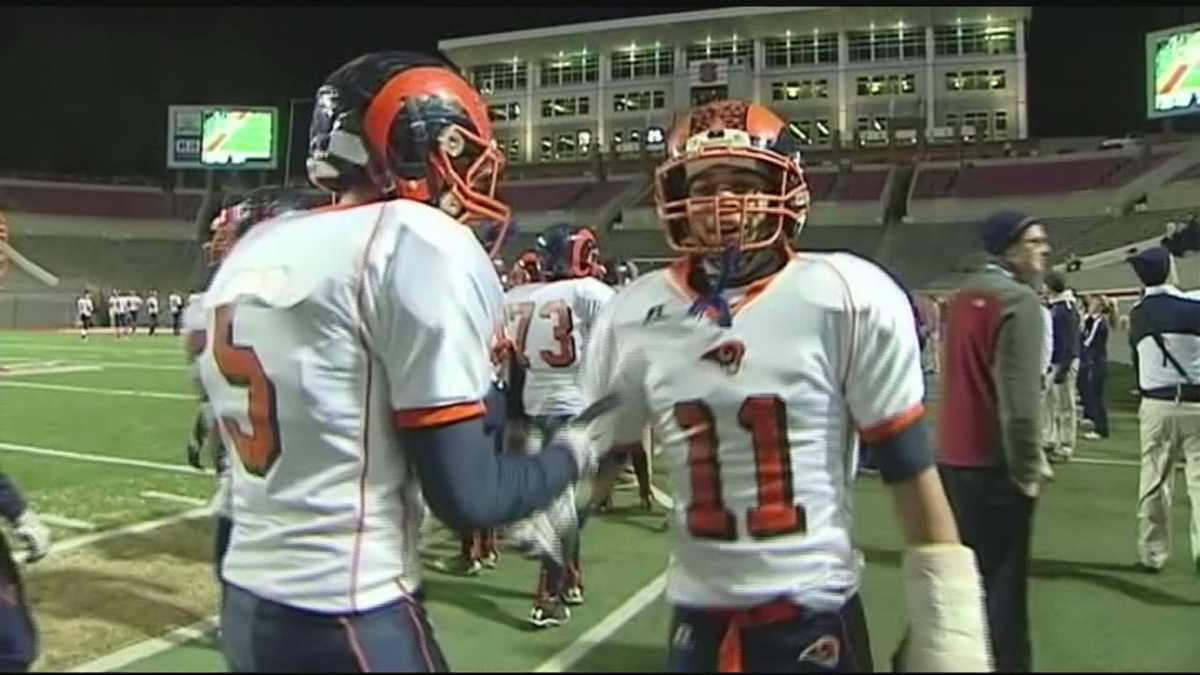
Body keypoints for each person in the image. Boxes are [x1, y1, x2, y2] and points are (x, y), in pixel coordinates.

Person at [200, 51, 595, 673]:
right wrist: (572, 453)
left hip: (246, 605)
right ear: (409, 145)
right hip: (348, 611)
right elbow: (471, 498)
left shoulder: (257, 247)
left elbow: (346, 399)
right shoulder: (414, 238)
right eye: (455, 153)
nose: (466, 175)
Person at [582, 99, 990, 672]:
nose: (722, 202)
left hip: (812, 616)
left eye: (743, 181)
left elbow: (910, 473)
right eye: (703, 185)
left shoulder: (846, 295)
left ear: (786, 190)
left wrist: (952, 635)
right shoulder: (634, 311)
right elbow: (602, 448)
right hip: (697, 622)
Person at [939, 209, 1053, 672]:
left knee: (960, 584)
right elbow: (1021, 404)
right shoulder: (1020, 304)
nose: (1044, 250)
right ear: (1007, 248)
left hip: (952, 456)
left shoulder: (963, 295)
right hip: (996, 464)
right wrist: (1028, 470)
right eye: (1033, 242)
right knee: (1004, 592)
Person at [499, 223, 615, 627]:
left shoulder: (527, 296)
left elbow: (514, 359)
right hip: (575, 409)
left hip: (536, 407)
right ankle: (550, 593)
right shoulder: (589, 293)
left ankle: (571, 578)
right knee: (558, 504)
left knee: (558, 500)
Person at [1126, 246, 1200, 574]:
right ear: (1170, 268)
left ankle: (1152, 552)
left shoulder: (1140, 312)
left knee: (1154, 479)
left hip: (1156, 404)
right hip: (1197, 403)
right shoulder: (1194, 305)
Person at [1044, 272, 1080, 463]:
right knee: (1050, 404)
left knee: (1065, 406)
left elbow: (1070, 342)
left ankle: (1066, 445)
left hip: (1063, 362)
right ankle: (1051, 438)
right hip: (1054, 362)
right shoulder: (1056, 307)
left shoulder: (1065, 309)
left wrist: (1064, 368)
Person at [1081, 295, 1113, 441]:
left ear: (1099, 306)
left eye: (1094, 303)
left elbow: (1089, 341)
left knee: (1097, 396)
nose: (1091, 305)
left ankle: (1101, 429)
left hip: (1097, 362)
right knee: (1094, 394)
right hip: (1096, 361)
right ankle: (1098, 425)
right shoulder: (1095, 321)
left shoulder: (1100, 322)